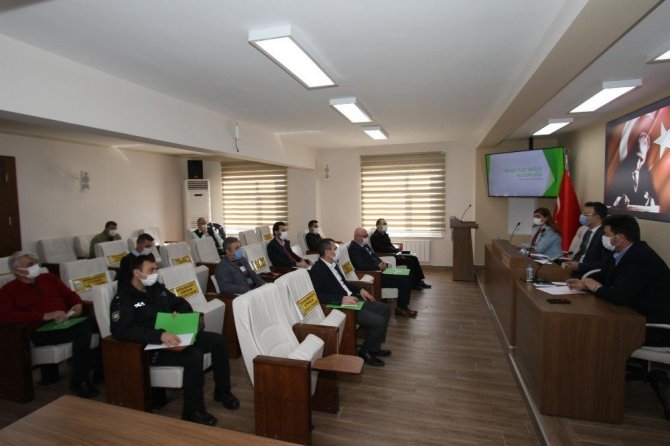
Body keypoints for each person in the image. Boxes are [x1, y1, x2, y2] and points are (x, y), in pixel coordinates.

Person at [110, 254, 240, 426]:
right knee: (193, 355)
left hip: (175, 336)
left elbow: (180, 303)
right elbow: (122, 330)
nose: (155, 273)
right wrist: (159, 336)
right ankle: (192, 410)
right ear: (136, 272)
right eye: (151, 270)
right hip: (151, 348)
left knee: (218, 341)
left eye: (156, 269)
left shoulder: (156, 289)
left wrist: (181, 314)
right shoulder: (124, 298)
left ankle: (223, 392)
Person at [0, 251, 98, 398]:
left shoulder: (49, 278)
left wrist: (77, 304)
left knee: (97, 324)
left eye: (35, 263)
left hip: (64, 322)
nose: (35, 267)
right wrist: (43, 316)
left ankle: (99, 371)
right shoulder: (9, 290)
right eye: (30, 265)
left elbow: (69, 294)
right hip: (40, 331)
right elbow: (4, 316)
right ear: (16, 270)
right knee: (83, 329)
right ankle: (80, 380)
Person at [567, 214, 670, 346]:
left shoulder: (639, 258)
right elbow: (603, 276)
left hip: (650, 325)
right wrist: (584, 284)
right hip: (630, 314)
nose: (604, 237)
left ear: (619, 237)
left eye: (607, 234)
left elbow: (620, 297)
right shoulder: (618, 252)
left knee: (589, 331)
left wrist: (596, 288)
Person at [309, 239, 391, 367]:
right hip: (342, 306)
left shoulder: (333, 264)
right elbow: (318, 295)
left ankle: (374, 348)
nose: (337, 250)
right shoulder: (317, 270)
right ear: (327, 253)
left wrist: (360, 290)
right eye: (335, 248)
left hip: (353, 299)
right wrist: (340, 299)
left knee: (385, 309)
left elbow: (345, 284)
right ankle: (365, 352)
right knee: (378, 321)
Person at [348, 227, 416, 317]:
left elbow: (374, 256)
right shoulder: (354, 249)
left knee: (407, 274)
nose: (366, 238)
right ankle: (402, 308)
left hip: (380, 270)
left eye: (366, 236)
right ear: (357, 236)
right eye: (365, 236)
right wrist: (377, 267)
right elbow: (361, 266)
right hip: (376, 275)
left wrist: (381, 262)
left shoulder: (364, 245)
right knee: (404, 280)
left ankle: (402, 306)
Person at [370, 218, 431, 289]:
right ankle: (415, 284)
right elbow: (381, 249)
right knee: (410, 262)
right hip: (388, 257)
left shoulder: (384, 234)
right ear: (377, 226)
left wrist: (396, 251)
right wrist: (395, 251)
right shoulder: (375, 237)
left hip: (394, 254)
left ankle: (419, 281)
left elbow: (389, 245)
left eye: (385, 224)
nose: (385, 225)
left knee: (414, 257)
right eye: (383, 224)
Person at [562, 202, 610, 277]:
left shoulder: (605, 235)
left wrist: (579, 266)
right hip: (574, 269)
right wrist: (571, 263)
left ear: (597, 217)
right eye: (583, 214)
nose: (582, 217)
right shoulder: (587, 231)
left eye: (586, 214)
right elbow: (581, 252)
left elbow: (603, 263)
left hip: (588, 274)